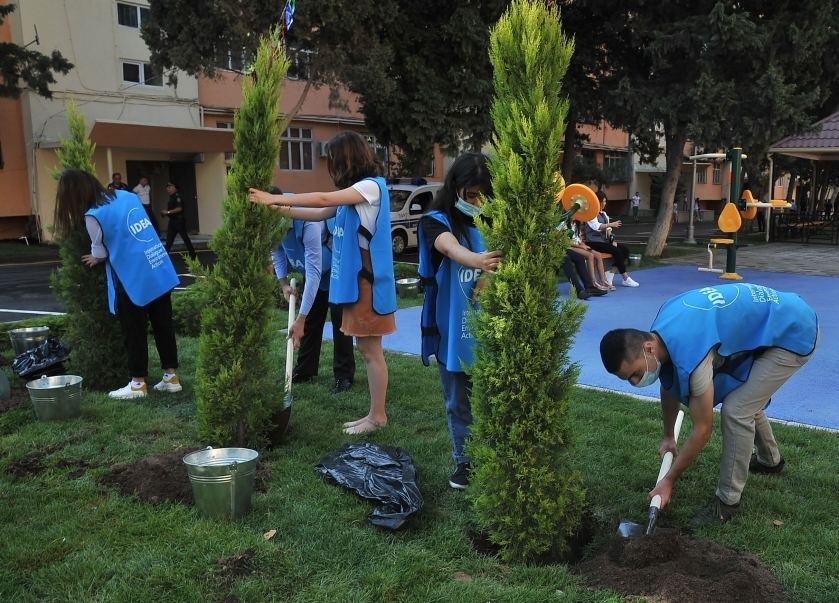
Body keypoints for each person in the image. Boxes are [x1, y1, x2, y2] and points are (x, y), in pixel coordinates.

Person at [599, 283, 818, 528]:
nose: (635, 382)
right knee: (745, 396)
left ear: (648, 349)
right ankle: (770, 461)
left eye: (635, 374)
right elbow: (669, 383)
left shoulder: (693, 356)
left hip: (794, 331)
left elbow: (702, 430)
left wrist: (669, 480)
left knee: (737, 409)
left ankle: (727, 502)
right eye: (628, 379)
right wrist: (668, 436)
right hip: (776, 315)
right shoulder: (659, 332)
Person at [248, 131, 395, 435]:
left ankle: (377, 416)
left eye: (334, 160)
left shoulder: (370, 188)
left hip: (368, 284)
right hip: (358, 283)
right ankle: (373, 413)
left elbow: (324, 198)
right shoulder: (356, 193)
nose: (332, 167)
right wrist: (279, 209)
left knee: (370, 350)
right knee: (366, 349)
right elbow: (319, 212)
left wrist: (277, 196)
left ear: (348, 158)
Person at [52, 169, 183, 399]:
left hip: (132, 277)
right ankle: (171, 378)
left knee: (134, 331)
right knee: (163, 326)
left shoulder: (93, 215)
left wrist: (95, 257)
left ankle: (137, 384)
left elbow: (100, 252)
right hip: (157, 267)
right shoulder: (126, 196)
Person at [417, 153, 502, 489]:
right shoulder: (436, 221)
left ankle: (495, 455)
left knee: (495, 398)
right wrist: (479, 261)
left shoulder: (498, 220)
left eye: (484, 196)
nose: (478, 203)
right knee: (458, 400)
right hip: (453, 329)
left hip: (492, 327)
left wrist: (491, 276)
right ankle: (465, 462)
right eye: (471, 196)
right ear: (456, 189)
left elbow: (512, 254)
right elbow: (450, 249)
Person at [269, 187, 356, 394]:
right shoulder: (270, 223)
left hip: (334, 269)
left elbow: (314, 272)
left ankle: (344, 376)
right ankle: (305, 369)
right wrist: (282, 284)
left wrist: (300, 318)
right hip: (315, 271)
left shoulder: (308, 221)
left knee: (338, 320)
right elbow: (277, 251)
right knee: (311, 320)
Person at [584, 196, 640, 287]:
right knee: (616, 251)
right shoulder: (591, 214)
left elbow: (608, 229)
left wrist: (612, 239)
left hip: (603, 241)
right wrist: (611, 224)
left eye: (605, 201)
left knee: (624, 250)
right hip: (593, 242)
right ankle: (625, 278)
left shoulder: (603, 214)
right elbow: (596, 226)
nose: (604, 204)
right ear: (597, 202)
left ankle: (610, 275)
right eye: (603, 201)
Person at [566, 219, 611, 293]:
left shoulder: (576, 223)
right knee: (590, 255)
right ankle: (593, 283)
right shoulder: (565, 224)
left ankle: (603, 281)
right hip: (571, 247)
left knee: (598, 255)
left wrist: (583, 245)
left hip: (579, 245)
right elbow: (567, 241)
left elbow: (578, 239)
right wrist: (582, 247)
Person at [162, 181, 196, 258]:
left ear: (175, 188)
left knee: (185, 238)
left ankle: (193, 255)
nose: (168, 189)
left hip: (179, 221)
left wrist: (167, 212)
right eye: (167, 188)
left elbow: (179, 208)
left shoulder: (178, 196)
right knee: (169, 240)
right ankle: (164, 257)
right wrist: (166, 213)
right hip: (172, 221)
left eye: (170, 187)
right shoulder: (171, 197)